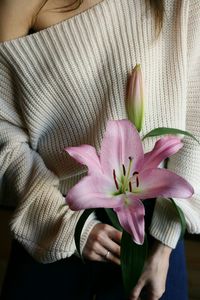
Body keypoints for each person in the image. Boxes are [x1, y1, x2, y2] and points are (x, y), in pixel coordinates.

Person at [0, 0, 199, 299]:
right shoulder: (19, 5)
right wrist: (67, 225)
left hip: (154, 228)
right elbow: (4, 132)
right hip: (51, 213)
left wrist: (163, 245)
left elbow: (196, 122)